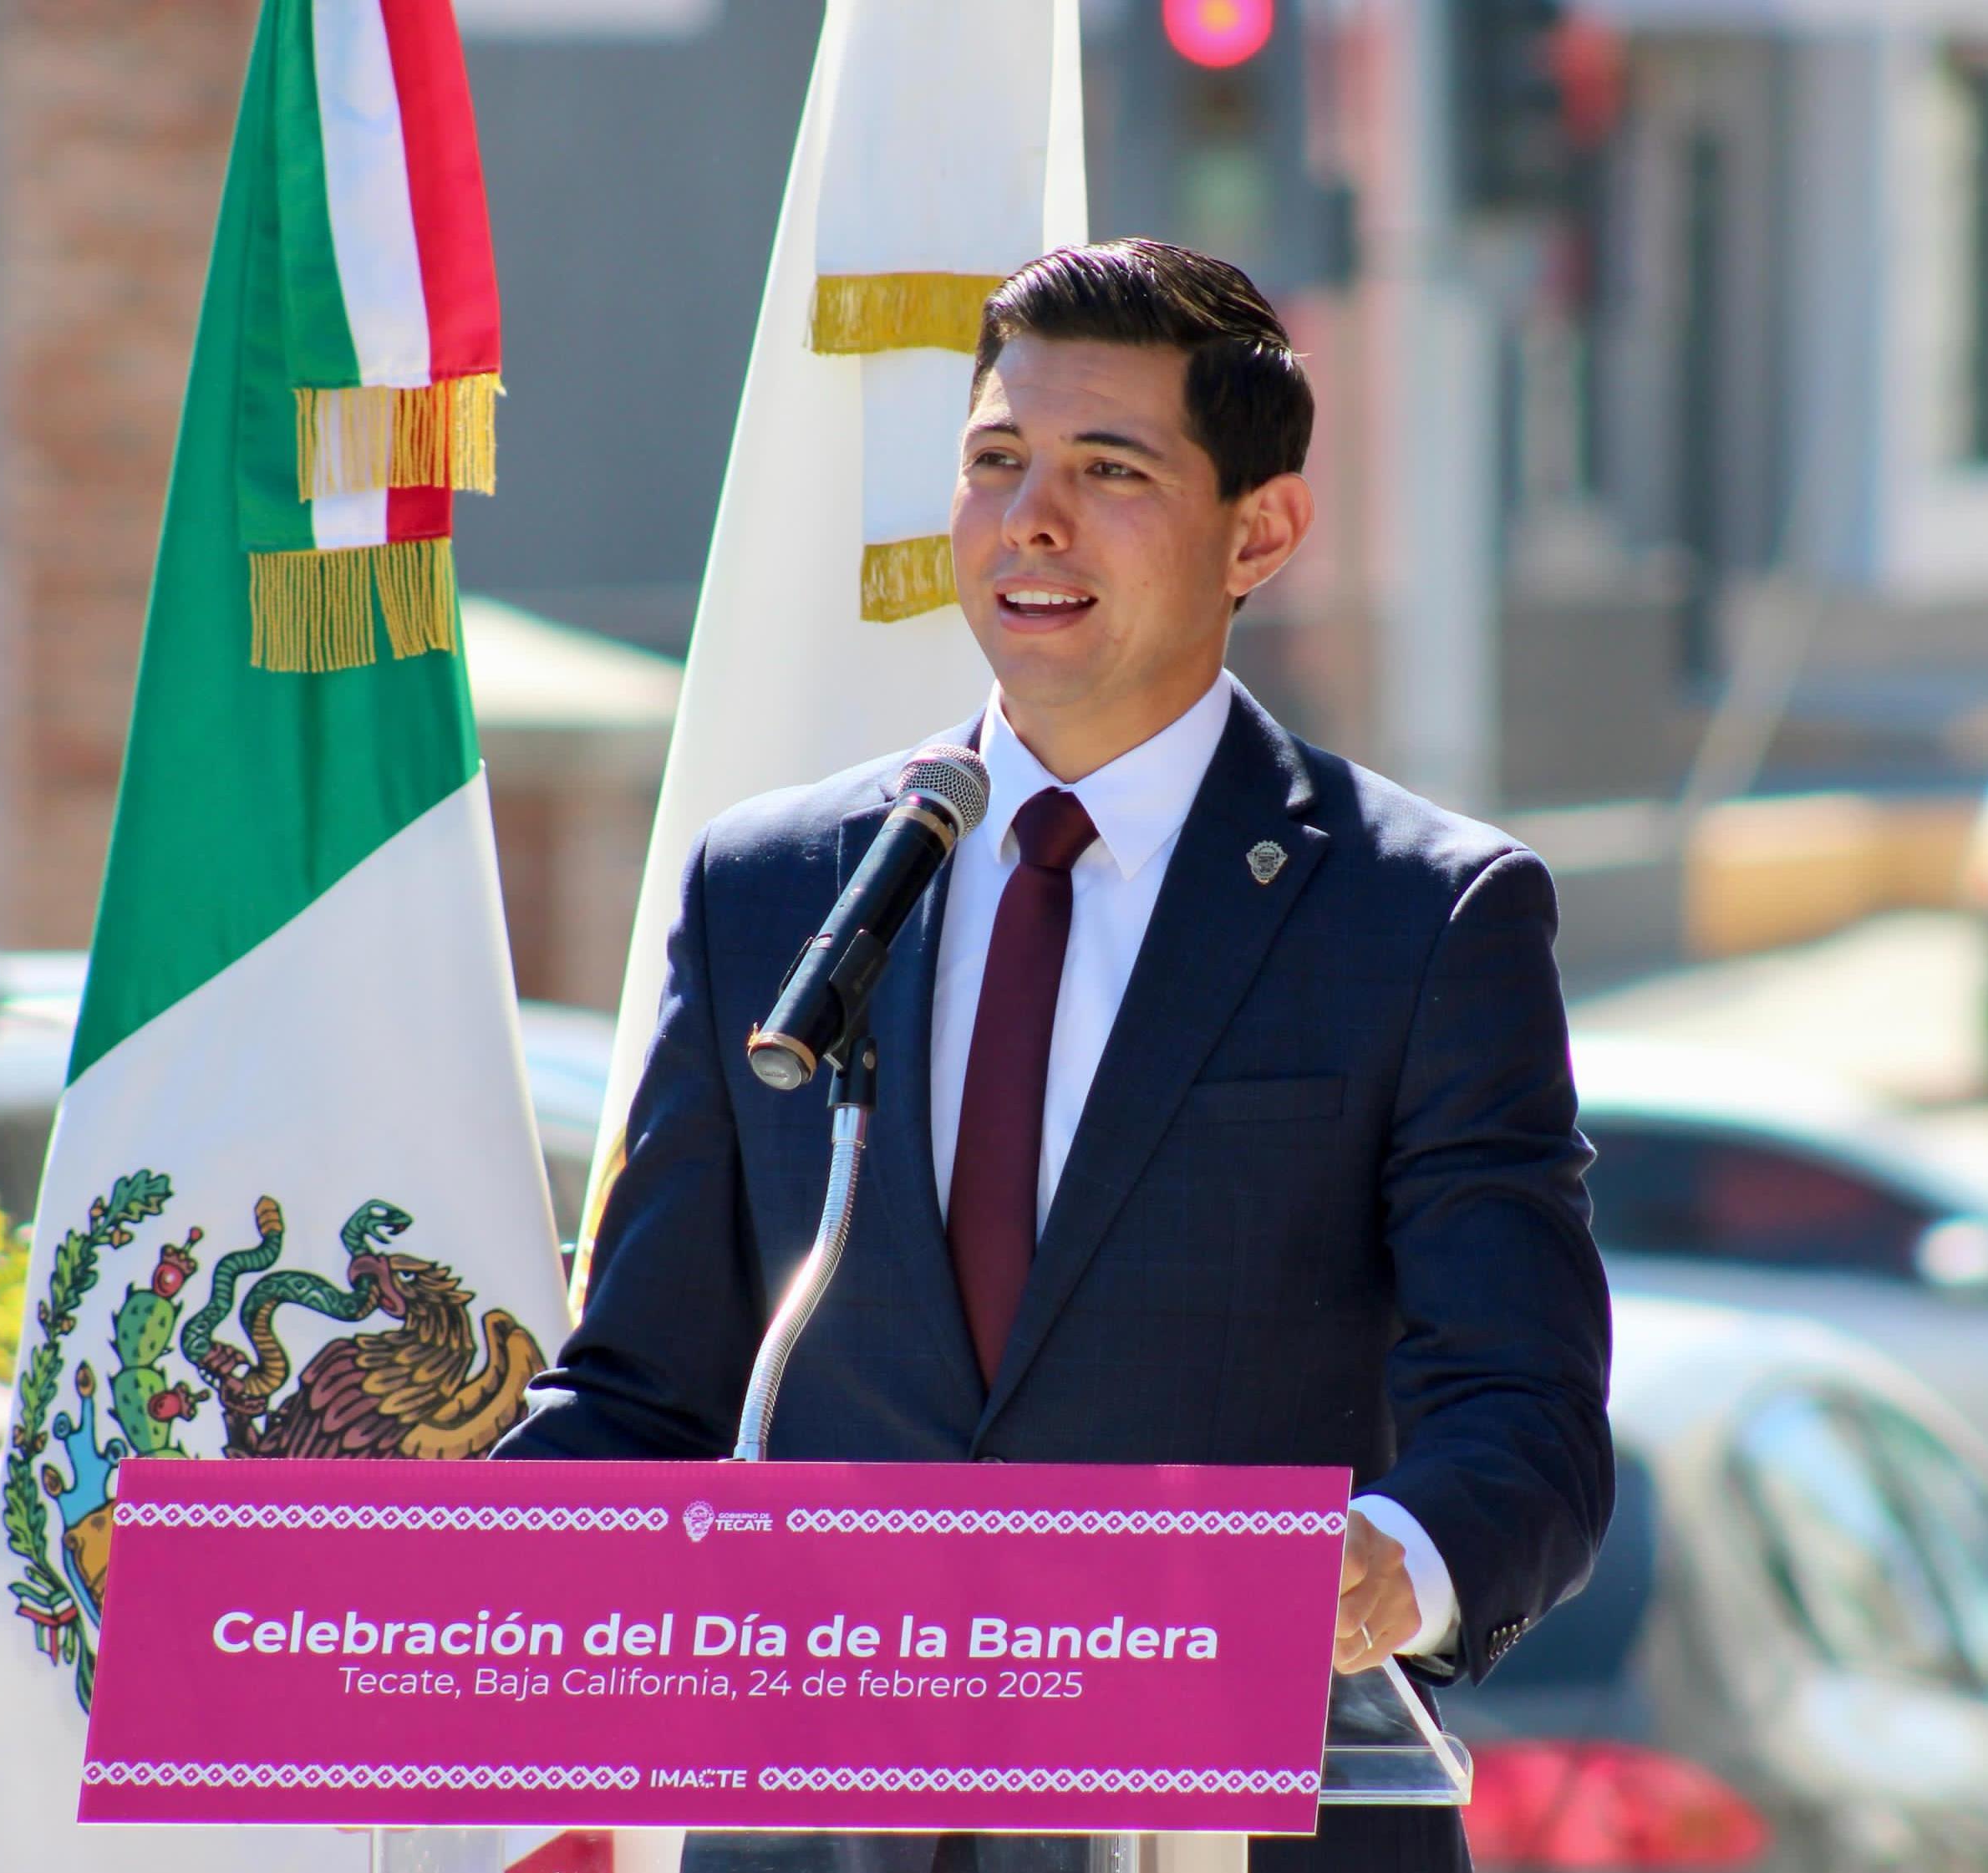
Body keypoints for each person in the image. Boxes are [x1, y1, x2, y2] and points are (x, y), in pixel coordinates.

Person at [500, 239, 1613, 1873]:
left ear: (1264, 530)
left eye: (1109, 469)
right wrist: (403, 1580)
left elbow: (1524, 1413)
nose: (1032, 518)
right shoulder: (784, 887)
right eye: (995, 462)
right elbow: (647, 1388)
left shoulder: (1421, 914)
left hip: (1241, 1816)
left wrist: (1383, 1559)